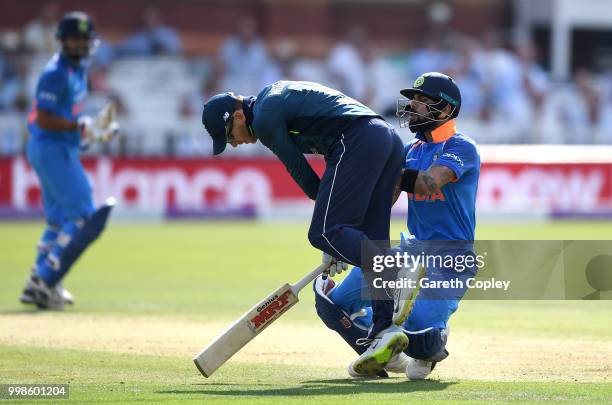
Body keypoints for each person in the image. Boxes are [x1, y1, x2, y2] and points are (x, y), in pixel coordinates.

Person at [202, 80, 407, 376]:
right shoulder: (273, 100)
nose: (233, 143)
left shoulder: (265, 116)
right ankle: (385, 332)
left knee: (323, 232)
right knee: (371, 241)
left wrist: (334, 239)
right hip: (385, 139)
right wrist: (344, 240)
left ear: (237, 116)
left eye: (229, 136)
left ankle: (396, 268)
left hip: (358, 139)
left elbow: (302, 173)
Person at [313, 72, 481, 379]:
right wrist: (343, 242)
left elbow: (429, 183)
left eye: (421, 101)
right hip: (410, 253)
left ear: (445, 110)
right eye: (412, 99)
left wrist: (388, 171)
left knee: (420, 340)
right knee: (332, 305)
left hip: (450, 258)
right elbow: (381, 206)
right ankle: (385, 351)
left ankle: (432, 339)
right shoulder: (409, 150)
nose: (412, 106)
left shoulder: (462, 146)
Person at [20, 12, 119, 310]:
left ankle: (36, 281)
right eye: (74, 39)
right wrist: (80, 127)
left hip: (59, 147)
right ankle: (47, 279)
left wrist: (90, 134)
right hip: (50, 148)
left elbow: (69, 119)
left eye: (84, 39)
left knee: (58, 219)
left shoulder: (79, 70)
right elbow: (45, 117)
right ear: (62, 41)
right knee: (82, 214)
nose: (79, 44)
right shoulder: (55, 73)